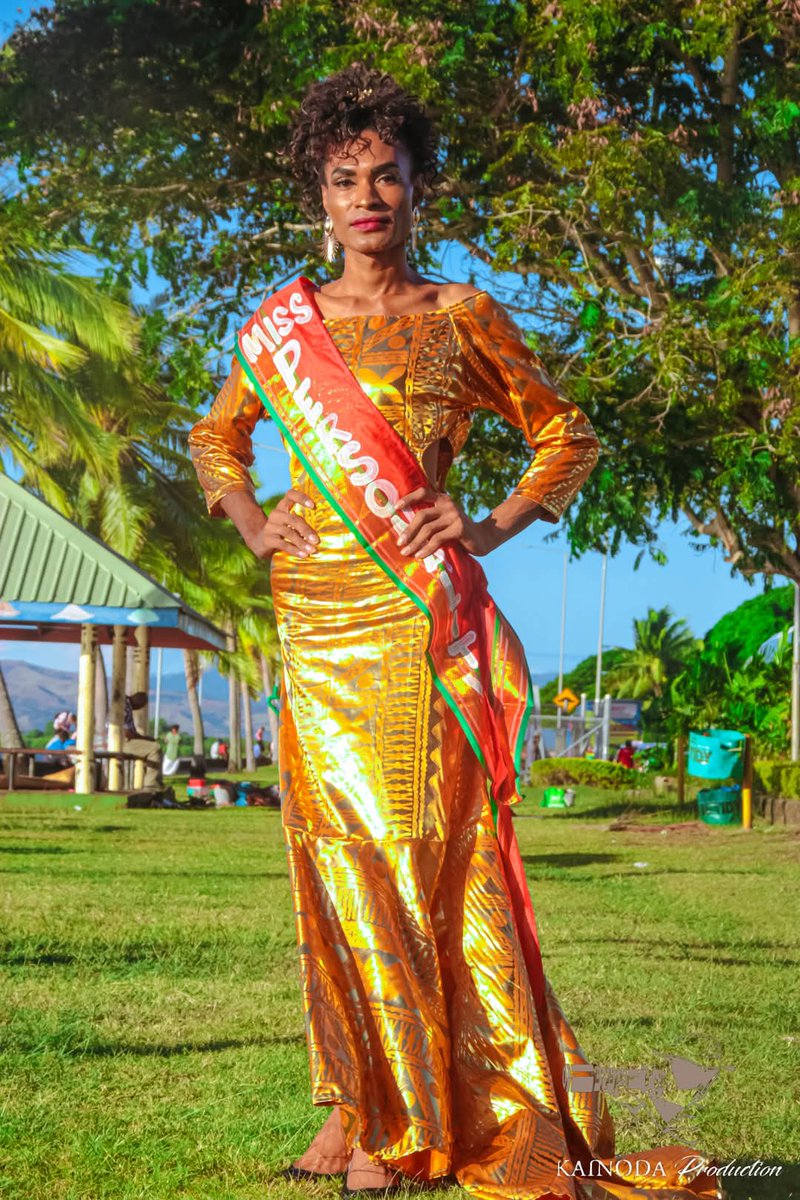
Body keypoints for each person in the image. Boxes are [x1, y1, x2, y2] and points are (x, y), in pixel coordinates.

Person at [188, 66, 721, 1200]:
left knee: (416, 850)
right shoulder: (279, 327)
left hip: (417, 619)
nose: (366, 196)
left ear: (417, 186)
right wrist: (250, 523)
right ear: (318, 198)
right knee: (332, 861)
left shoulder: (461, 317)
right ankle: (358, 1110)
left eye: (386, 174)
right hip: (313, 620)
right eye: (343, 179)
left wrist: (483, 525)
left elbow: (563, 437)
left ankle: (411, 1122)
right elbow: (214, 440)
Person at [123, 691, 161, 788]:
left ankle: (154, 780)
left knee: (153, 746)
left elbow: (131, 733)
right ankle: (150, 783)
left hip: (126, 741)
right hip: (122, 742)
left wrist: (144, 738)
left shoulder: (127, 705)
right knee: (155, 748)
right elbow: (124, 732)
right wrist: (140, 737)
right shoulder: (125, 706)